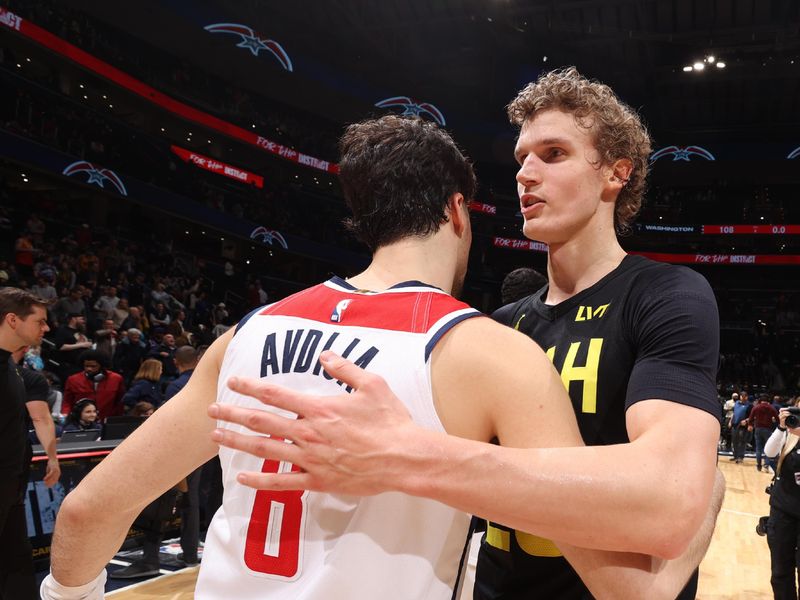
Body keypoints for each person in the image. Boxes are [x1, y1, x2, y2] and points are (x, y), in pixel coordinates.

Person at [43, 116, 718, 600]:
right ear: (458, 212)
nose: (526, 175)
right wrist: (706, 500)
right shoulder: (491, 350)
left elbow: (83, 514)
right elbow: (631, 588)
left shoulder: (245, 334)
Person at [0, 287, 50, 600]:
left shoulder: (12, 369)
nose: (46, 328)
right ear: (13, 320)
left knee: (17, 567)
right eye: (40, 321)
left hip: (12, 487)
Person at [764, 400, 800, 599]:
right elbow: (769, 452)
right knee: (780, 572)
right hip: (783, 510)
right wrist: (781, 427)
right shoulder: (790, 432)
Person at [11, 346, 60, 486]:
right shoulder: (30, 379)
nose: (46, 328)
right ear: (26, 349)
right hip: (14, 454)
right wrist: (52, 458)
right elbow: (40, 418)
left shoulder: (30, 379)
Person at [61, 350, 126, 422]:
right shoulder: (73, 380)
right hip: (81, 423)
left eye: (93, 366)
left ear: (102, 365)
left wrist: (118, 420)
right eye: (86, 366)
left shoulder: (116, 379)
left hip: (108, 422)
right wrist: (65, 415)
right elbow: (67, 401)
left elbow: (120, 402)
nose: (89, 369)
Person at [749, 394, 779, 472]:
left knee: (758, 448)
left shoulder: (756, 407)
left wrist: (750, 425)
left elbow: (751, 417)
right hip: (768, 429)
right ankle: (766, 465)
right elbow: (777, 418)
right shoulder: (771, 408)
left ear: (760, 400)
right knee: (768, 448)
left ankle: (759, 465)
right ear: (768, 401)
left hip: (758, 429)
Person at [730, 392, 752, 463]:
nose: (742, 398)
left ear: (747, 397)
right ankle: (735, 456)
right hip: (734, 424)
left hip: (743, 426)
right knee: (734, 441)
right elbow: (734, 413)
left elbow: (752, 416)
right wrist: (730, 421)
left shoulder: (749, 405)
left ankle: (740, 457)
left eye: (744, 396)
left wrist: (746, 420)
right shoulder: (736, 403)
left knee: (742, 442)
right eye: (741, 396)